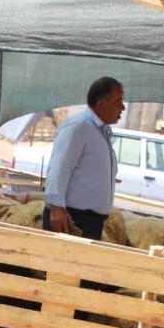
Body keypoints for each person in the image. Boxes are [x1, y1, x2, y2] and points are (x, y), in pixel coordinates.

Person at [43, 77, 124, 240]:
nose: (122, 107)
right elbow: (59, 167)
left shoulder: (99, 132)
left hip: (89, 221)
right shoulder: (78, 127)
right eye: (118, 101)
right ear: (101, 104)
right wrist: (56, 206)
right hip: (71, 219)